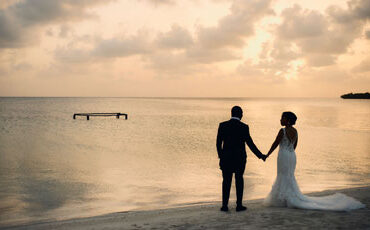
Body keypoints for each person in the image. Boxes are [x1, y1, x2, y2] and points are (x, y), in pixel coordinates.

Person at [263, 111, 365, 211]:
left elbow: (275, 144)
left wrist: (267, 154)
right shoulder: (295, 131)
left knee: (282, 175)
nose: (280, 120)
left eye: (283, 118)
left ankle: (283, 198)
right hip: (291, 156)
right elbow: (294, 146)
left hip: (284, 156)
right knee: (289, 175)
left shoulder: (282, 131)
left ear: (288, 120)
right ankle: (287, 197)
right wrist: (288, 152)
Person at [216, 106, 266, 212]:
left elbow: (218, 143)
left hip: (227, 159)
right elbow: (250, 144)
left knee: (226, 181)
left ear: (231, 113)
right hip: (240, 159)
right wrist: (260, 155)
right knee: (239, 180)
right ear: (240, 114)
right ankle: (239, 205)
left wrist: (221, 156)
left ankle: (224, 205)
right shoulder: (244, 127)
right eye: (242, 113)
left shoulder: (223, 125)